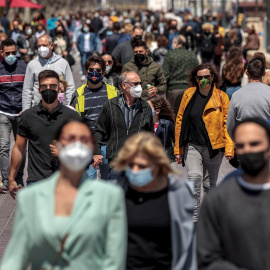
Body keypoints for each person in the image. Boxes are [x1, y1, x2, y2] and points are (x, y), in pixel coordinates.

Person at [1, 119, 127, 270]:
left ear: (92, 148)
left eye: (84, 139)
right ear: (57, 145)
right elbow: (15, 258)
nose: (77, 144)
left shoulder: (110, 197)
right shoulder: (31, 197)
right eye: (70, 138)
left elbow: (114, 260)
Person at [111, 132, 196, 270]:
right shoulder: (115, 192)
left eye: (142, 166)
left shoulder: (179, 193)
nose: (135, 170)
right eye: (130, 165)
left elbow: (187, 247)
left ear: (157, 165)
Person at [197, 118, 270, 270]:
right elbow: (207, 257)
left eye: (255, 144)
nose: (248, 150)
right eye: (241, 146)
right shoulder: (217, 199)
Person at [174, 63, 234, 222]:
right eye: (200, 77)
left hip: (214, 148)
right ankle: (194, 220)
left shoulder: (222, 97)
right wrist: (178, 149)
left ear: (213, 77)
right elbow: (180, 121)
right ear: (195, 78)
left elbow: (227, 124)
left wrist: (229, 148)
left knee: (209, 185)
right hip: (192, 145)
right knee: (194, 177)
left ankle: (208, 219)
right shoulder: (188, 94)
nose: (203, 80)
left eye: (207, 77)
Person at [9, 70, 80, 194]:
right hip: (36, 181)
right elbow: (19, 148)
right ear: (39, 90)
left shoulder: (72, 116)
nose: (49, 89)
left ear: (59, 88)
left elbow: (83, 148)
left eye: (53, 86)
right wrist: (11, 178)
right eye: (44, 86)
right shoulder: (28, 116)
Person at [94, 71, 154, 180]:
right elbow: (99, 130)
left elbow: (150, 136)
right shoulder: (111, 105)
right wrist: (96, 152)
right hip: (116, 162)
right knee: (117, 194)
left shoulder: (145, 107)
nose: (139, 87)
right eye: (135, 84)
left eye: (140, 83)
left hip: (138, 162)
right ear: (124, 85)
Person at [71, 55, 118, 180]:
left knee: (110, 182)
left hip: (109, 145)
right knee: (88, 183)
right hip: (87, 146)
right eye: (91, 70)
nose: (94, 73)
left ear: (103, 73)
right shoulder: (78, 94)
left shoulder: (114, 92)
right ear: (86, 72)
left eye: (98, 70)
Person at [0, 39, 27, 193]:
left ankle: (18, 178)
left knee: (21, 147)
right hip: (3, 113)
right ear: (2, 53)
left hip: (21, 113)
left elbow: (29, 89)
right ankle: (5, 180)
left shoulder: (24, 68)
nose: (11, 55)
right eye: (8, 53)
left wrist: (26, 108)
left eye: (14, 53)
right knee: (3, 146)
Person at [22, 35, 75, 111]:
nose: (41, 48)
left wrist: (72, 108)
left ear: (52, 46)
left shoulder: (63, 63)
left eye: (44, 45)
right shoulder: (32, 65)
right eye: (39, 46)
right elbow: (27, 90)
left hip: (59, 110)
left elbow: (70, 87)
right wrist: (25, 112)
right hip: (38, 110)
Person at [227, 58, 270, 138]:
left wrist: (238, 141)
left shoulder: (236, 95)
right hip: (265, 141)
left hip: (244, 140)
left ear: (246, 72)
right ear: (264, 73)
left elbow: (230, 125)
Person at [162, 35, 199, 116]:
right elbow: (197, 73)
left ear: (176, 43)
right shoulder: (192, 55)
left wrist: (161, 88)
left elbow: (165, 74)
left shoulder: (170, 55)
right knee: (188, 115)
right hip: (189, 90)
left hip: (173, 91)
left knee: (173, 116)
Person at [148, 96, 175, 161]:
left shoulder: (167, 124)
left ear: (157, 111)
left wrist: (177, 153)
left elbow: (175, 139)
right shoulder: (143, 124)